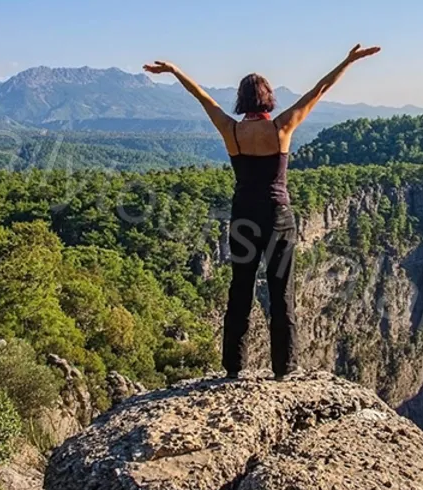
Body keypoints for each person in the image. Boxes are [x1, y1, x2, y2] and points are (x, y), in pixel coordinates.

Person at [143, 44, 382, 381]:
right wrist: (348, 61)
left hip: (243, 216)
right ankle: (284, 369)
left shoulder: (232, 131)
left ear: (241, 100)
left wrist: (175, 71)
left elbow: (203, 99)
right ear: (268, 97)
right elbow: (320, 90)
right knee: (281, 290)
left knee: (240, 288)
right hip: (277, 216)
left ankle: (233, 367)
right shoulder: (281, 128)